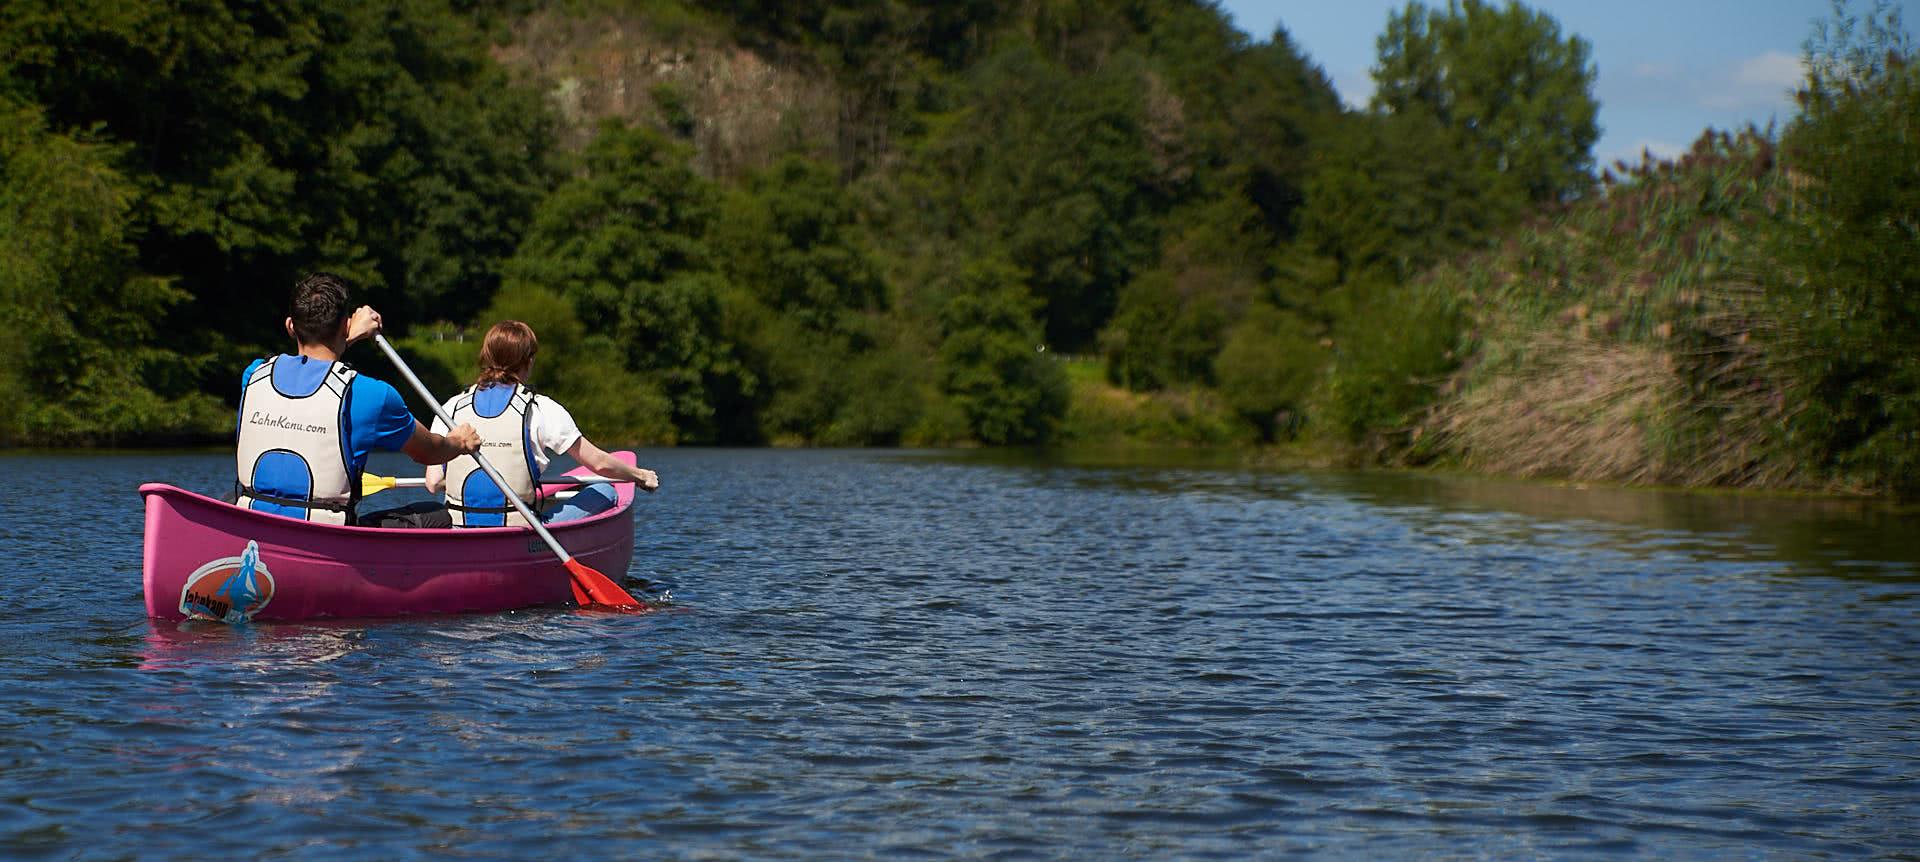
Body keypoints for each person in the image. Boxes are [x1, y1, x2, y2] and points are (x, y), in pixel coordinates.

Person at [235, 272, 482, 526]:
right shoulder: (373, 396)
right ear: (345, 326)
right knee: (437, 515)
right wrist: (460, 442)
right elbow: (430, 452)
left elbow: (311, 369)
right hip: (329, 543)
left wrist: (344, 337)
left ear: (290, 326)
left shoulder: (253, 375)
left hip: (255, 529)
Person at [424, 320, 660, 527]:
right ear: (529, 361)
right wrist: (639, 476)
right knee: (606, 490)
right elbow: (598, 463)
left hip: (460, 530)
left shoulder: (451, 407)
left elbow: (433, 483)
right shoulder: (541, 408)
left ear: (486, 357)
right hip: (522, 533)